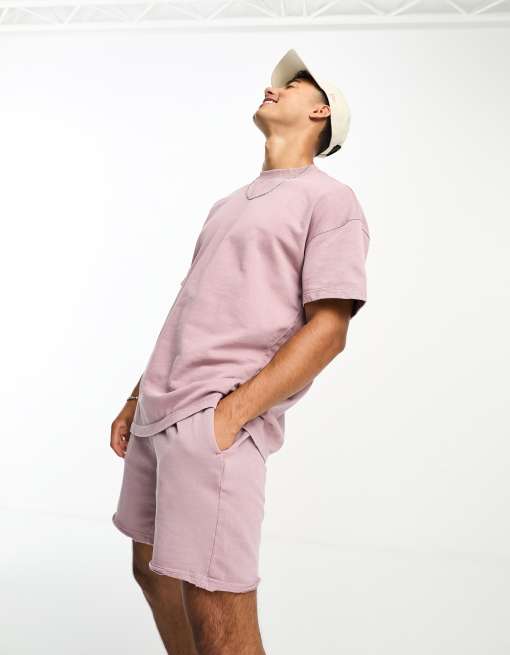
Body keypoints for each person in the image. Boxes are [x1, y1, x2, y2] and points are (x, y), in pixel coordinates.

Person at [110, 48, 370, 655]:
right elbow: (191, 306)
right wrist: (135, 397)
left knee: (216, 607)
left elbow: (329, 328)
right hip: (159, 412)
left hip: (213, 418)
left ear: (322, 113)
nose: (274, 88)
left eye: (296, 85)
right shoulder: (226, 205)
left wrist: (230, 416)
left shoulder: (330, 200)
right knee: (151, 570)